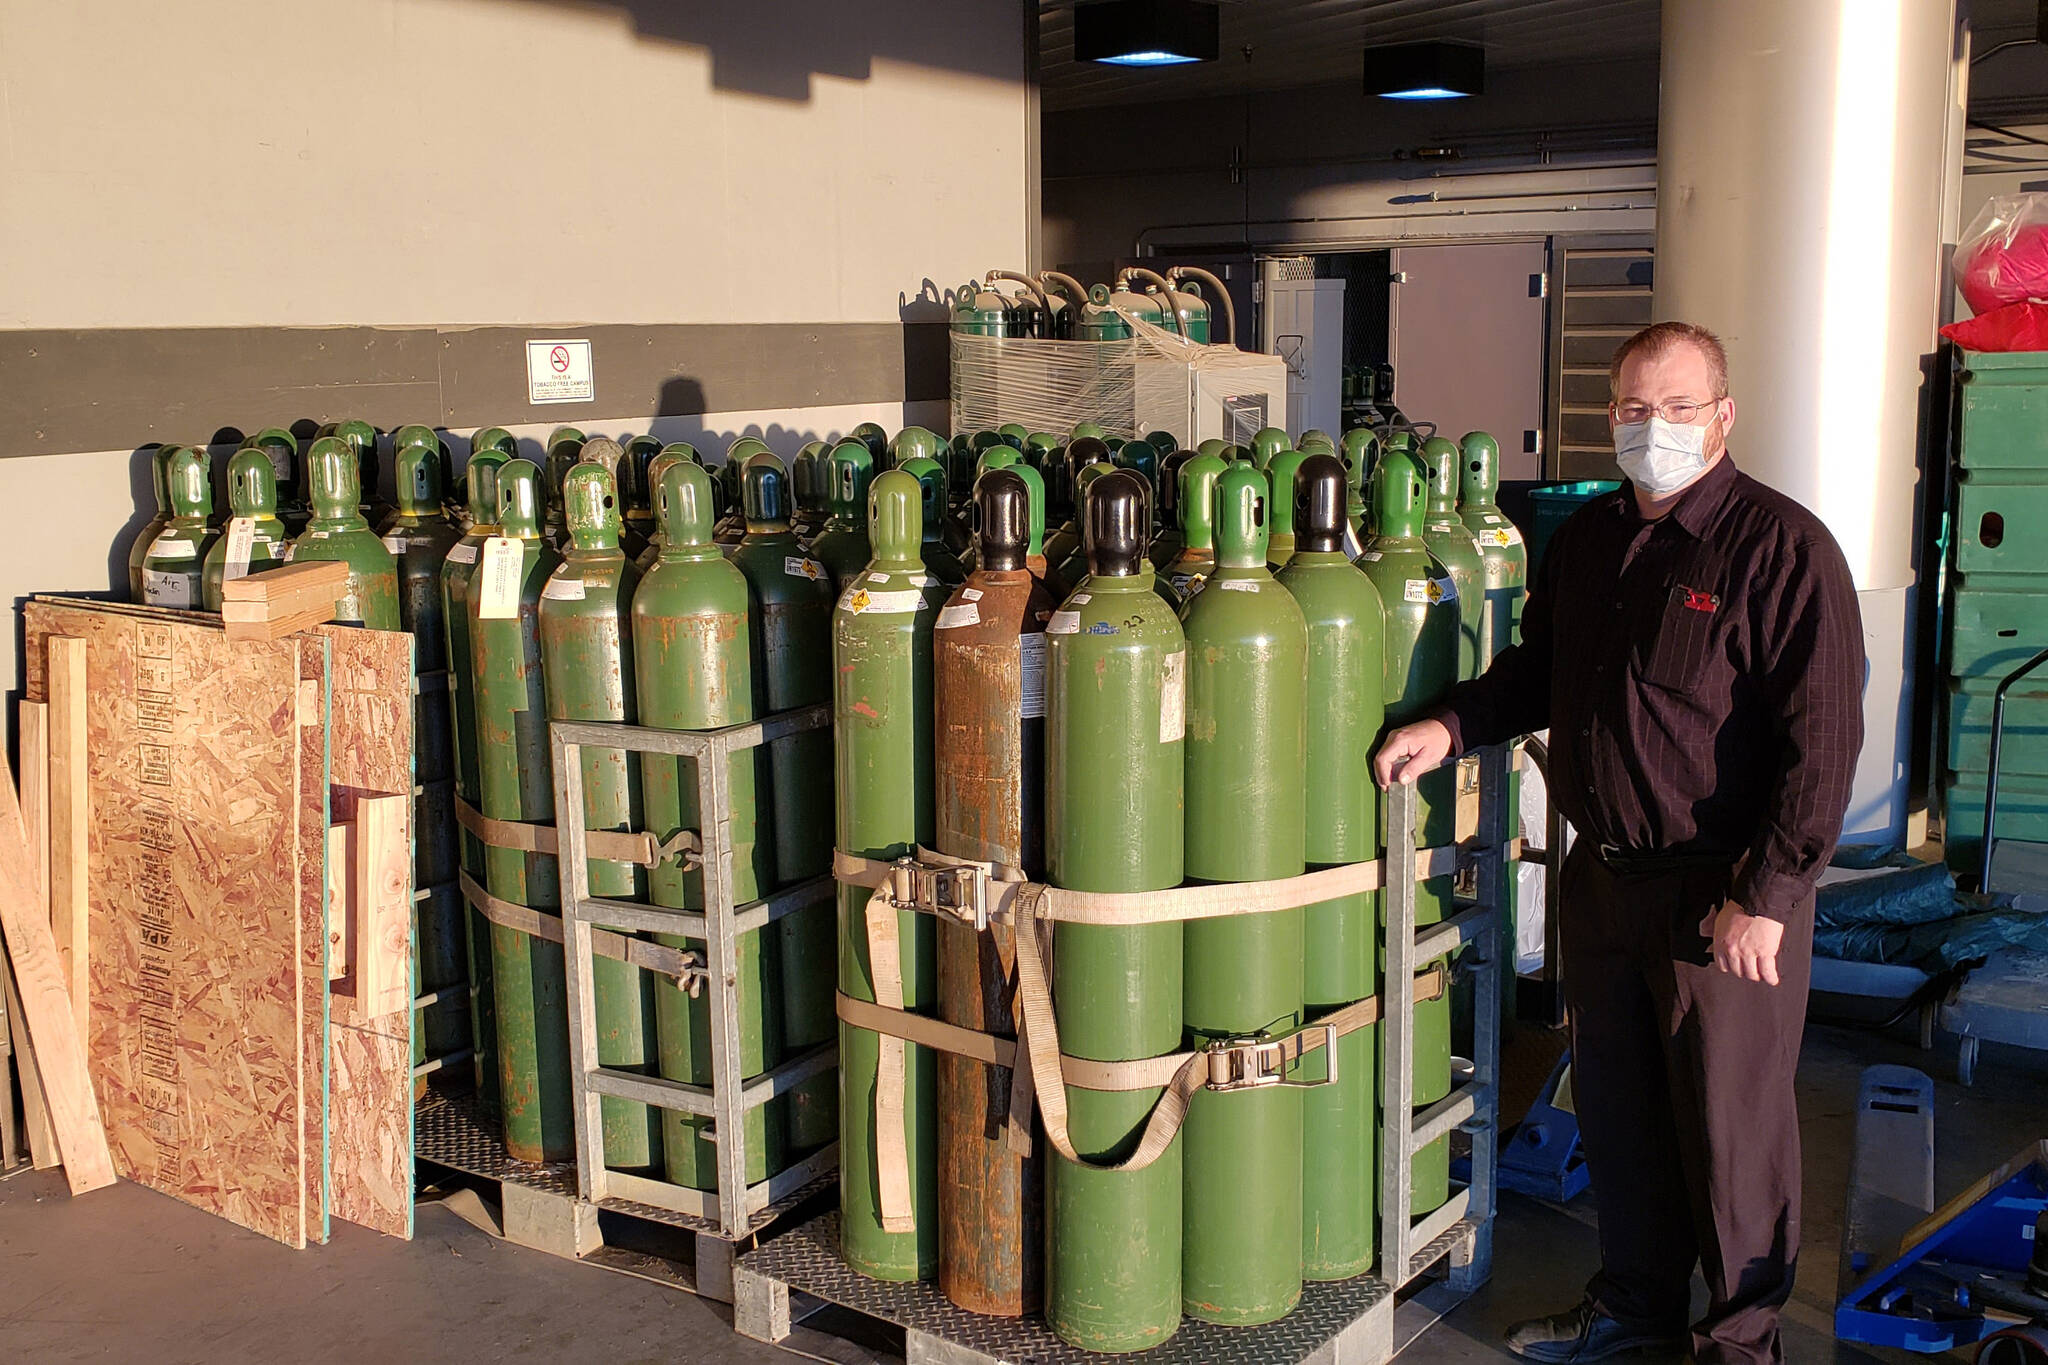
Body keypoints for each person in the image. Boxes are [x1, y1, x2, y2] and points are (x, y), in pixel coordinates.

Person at [1373, 321, 1865, 1365]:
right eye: (1633, 409)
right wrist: (1450, 724)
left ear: (1722, 417)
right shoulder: (1590, 542)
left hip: (1720, 899)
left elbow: (1820, 747)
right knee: (1620, 1112)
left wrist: (1767, 897)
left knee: (1729, 1135)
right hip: (1605, 882)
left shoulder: (1781, 550)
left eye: (1677, 408)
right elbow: (1535, 672)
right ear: (1609, 419)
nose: (1653, 428)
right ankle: (1632, 1303)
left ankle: (1738, 1341)